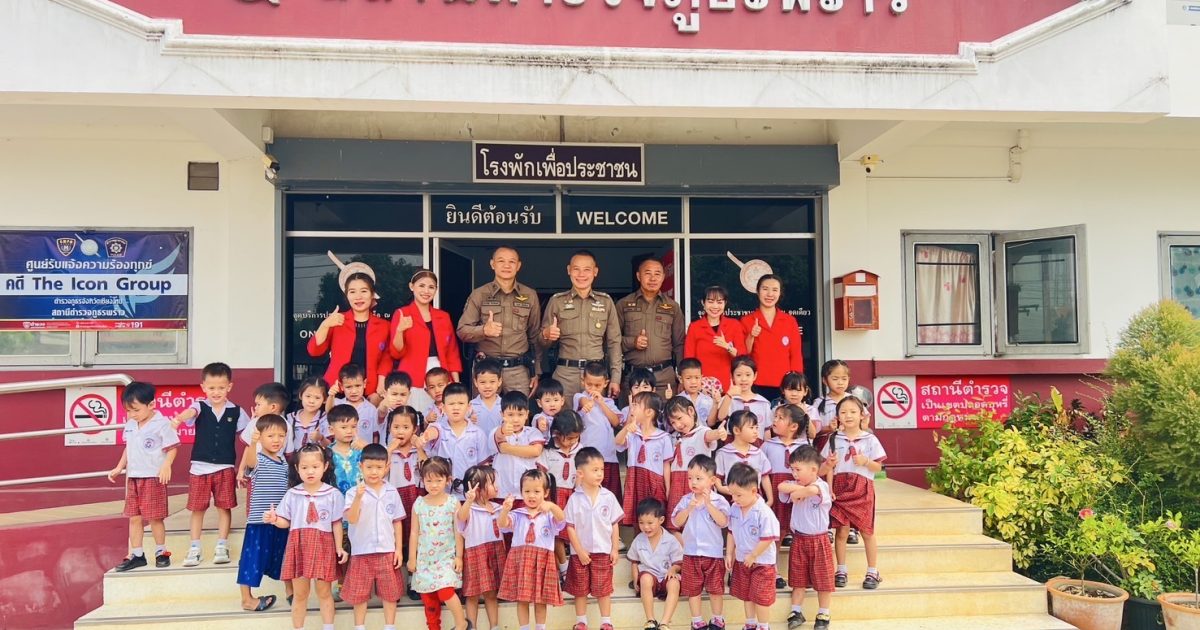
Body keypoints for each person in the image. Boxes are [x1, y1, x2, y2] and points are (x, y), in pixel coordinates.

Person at [170, 362, 250, 569]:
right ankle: (194, 547)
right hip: (199, 468)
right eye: (212, 387)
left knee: (224, 507)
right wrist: (178, 419)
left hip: (225, 467)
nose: (216, 392)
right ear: (203, 387)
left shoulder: (237, 411)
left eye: (221, 387)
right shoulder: (199, 406)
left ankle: (222, 545)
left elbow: (249, 436)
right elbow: (189, 413)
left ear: (229, 387)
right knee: (197, 509)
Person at [264, 444, 347, 630]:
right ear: (297, 468)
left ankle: (328, 627)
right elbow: (286, 522)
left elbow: (336, 523)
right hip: (299, 546)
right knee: (300, 594)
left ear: (325, 466)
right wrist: (274, 519)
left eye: (315, 466)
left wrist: (339, 547)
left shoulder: (333, 494)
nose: (310, 471)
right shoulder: (293, 494)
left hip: (324, 546)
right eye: (304, 467)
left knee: (324, 592)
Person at [108, 381, 179, 572]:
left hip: (153, 477)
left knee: (155, 517)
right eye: (128, 411)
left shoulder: (162, 424)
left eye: (136, 410)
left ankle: (161, 552)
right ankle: (137, 555)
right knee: (134, 517)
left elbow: (172, 448)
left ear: (151, 404)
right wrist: (119, 467)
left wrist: (166, 465)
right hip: (134, 477)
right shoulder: (131, 424)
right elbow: (128, 447)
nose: (132, 415)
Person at [457, 246, 543, 396]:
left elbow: (534, 336)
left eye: (512, 261)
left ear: (518, 266)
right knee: (483, 411)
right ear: (492, 264)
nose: (506, 265)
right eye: (501, 261)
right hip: (486, 369)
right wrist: (483, 331)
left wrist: (536, 371)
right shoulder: (479, 294)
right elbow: (462, 330)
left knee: (518, 411)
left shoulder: (530, 295)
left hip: (518, 371)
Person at [540, 250, 623, 401]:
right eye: (576, 269)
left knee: (595, 415)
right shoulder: (557, 301)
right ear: (569, 270)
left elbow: (614, 343)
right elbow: (541, 343)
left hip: (596, 376)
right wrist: (546, 335)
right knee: (565, 415)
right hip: (565, 375)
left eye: (587, 270)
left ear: (595, 272)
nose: (581, 274)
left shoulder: (605, 302)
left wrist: (615, 378)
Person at [822, 396, 886, 591]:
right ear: (838, 417)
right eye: (843, 412)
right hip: (840, 488)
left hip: (862, 487)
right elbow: (829, 467)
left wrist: (866, 461)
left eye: (852, 412)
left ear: (861, 415)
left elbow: (878, 467)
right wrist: (830, 488)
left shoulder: (870, 439)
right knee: (841, 531)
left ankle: (872, 571)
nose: (848, 415)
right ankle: (841, 570)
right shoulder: (834, 439)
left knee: (867, 531)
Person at [342, 443, 406, 630]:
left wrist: (398, 550)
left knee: (390, 593)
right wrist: (358, 498)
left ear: (387, 467)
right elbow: (351, 519)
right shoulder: (353, 492)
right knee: (359, 594)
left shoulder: (392, 492)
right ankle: (359, 626)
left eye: (379, 467)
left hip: (387, 550)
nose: (374, 472)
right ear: (360, 466)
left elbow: (397, 522)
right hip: (362, 551)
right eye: (369, 467)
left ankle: (390, 626)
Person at [308, 270, 392, 404]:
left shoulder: (384, 326)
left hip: (369, 392)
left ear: (372, 295)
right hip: (336, 390)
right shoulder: (337, 320)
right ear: (347, 296)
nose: (358, 296)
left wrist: (380, 389)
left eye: (364, 291)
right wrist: (325, 325)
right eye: (352, 292)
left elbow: (386, 359)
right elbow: (314, 351)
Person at [498, 469, 568, 630]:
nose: (531, 495)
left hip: (542, 560)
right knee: (522, 599)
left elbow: (562, 519)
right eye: (527, 491)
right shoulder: (517, 514)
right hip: (521, 560)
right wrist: (505, 510)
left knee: (540, 599)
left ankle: (540, 627)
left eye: (537, 491)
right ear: (521, 492)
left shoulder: (548, 515)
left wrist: (551, 506)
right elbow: (503, 524)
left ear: (546, 492)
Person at [563, 446, 621, 630]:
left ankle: (606, 621)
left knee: (603, 589)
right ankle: (581, 621)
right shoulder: (575, 498)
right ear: (581, 473)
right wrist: (579, 551)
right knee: (580, 589)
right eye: (595, 470)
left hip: (603, 551)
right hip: (580, 553)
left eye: (601, 469)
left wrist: (614, 549)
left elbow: (614, 524)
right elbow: (570, 527)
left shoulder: (608, 496)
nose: (600, 474)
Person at [237, 414, 290, 612]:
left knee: (284, 556)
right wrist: (253, 443)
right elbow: (250, 462)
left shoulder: (283, 461)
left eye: (281, 436)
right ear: (260, 437)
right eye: (271, 436)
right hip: (259, 522)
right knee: (252, 559)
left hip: (280, 521)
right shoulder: (259, 459)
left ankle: (291, 593)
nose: (276, 440)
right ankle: (247, 599)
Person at [671, 454, 731, 630]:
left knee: (715, 588)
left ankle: (717, 619)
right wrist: (689, 508)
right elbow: (676, 521)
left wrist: (708, 504)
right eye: (690, 478)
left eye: (698, 478)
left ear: (712, 480)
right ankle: (696, 620)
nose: (693, 482)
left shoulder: (719, 500)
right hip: (691, 552)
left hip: (713, 553)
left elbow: (724, 522)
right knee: (693, 589)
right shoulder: (685, 500)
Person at [407, 457, 467, 630]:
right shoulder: (419, 504)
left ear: (448, 480)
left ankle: (461, 624)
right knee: (429, 599)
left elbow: (458, 531)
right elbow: (414, 532)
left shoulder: (453, 502)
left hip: (446, 558)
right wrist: (412, 558)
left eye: (438, 480)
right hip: (425, 560)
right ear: (422, 480)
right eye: (429, 481)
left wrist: (459, 556)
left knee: (446, 591)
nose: (433, 485)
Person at [778, 446, 835, 630]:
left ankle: (823, 613)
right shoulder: (797, 483)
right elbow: (781, 486)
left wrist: (797, 493)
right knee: (798, 579)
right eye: (792, 469)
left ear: (813, 469)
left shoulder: (822, 486)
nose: (794, 474)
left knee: (823, 579)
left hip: (819, 540)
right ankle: (796, 611)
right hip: (799, 539)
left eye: (798, 469)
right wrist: (798, 490)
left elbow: (812, 491)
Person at [618, 257, 685, 397]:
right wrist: (633, 342)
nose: (653, 278)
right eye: (648, 273)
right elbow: (612, 341)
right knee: (632, 411)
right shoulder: (623, 304)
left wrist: (682, 377)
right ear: (638, 276)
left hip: (663, 378)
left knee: (666, 411)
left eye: (657, 274)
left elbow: (679, 345)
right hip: (633, 378)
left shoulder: (672, 307)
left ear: (663, 277)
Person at [724, 462, 780, 630]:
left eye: (739, 495)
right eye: (732, 494)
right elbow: (731, 532)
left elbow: (768, 538)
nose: (735, 499)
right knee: (747, 594)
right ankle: (750, 623)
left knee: (761, 598)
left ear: (754, 491)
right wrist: (729, 553)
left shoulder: (763, 512)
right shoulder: (735, 508)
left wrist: (754, 555)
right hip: (743, 560)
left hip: (762, 562)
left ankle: (763, 626)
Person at [390, 269, 464, 389]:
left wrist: (456, 382)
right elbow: (396, 353)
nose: (426, 291)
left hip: (441, 375)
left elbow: (452, 353)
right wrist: (400, 331)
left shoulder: (443, 316)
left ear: (436, 289)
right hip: (412, 377)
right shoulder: (402, 313)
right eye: (422, 286)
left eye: (431, 287)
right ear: (411, 286)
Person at [421, 382, 496, 499]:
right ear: (443, 407)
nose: (456, 407)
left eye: (461, 403)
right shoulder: (438, 428)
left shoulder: (478, 433)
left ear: (469, 406)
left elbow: (483, 466)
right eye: (451, 404)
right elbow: (432, 432)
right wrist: (426, 436)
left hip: (470, 495)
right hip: (442, 494)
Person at [664, 397, 726, 535]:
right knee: (674, 522)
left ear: (691, 411)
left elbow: (709, 435)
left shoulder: (701, 432)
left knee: (697, 519)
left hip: (696, 481)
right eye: (673, 422)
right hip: (676, 482)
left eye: (679, 418)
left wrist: (718, 433)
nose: (678, 424)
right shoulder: (674, 437)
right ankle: (683, 547)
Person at [384, 405, 426, 600]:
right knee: (396, 540)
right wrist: (388, 451)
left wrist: (420, 447)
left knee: (416, 538)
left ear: (415, 429)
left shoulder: (419, 450)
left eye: (406, 427)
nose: (400, 431)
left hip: (416, 496)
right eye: (396, 427)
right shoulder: (388, 451)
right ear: (390, 428)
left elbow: (427, 471)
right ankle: (393, 583)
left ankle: (413, 580)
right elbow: (380, 473)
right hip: (395, 499)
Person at [456, 465, 507, 630]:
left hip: (495, 551)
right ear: (478, 488)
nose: (496, 487)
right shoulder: (469, 509)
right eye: (492, 483)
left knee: (491, 594)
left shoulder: (498, 508)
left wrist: (506, 509)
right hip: (476, 554)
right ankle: (472, 627)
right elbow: (461, 518)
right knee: (472, 595)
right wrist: (469, 501)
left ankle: (494, 626)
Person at [538, 410, 584, 584]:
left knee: (572, 531)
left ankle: (574, 567)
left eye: (576, 438)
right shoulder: (547, 451)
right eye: (569, 438)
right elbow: (542, 476)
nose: (573, 441)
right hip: (554, 497)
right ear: (557, 433)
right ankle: (563, 568)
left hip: (573, 496)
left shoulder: (580, 450)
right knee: (556, 534)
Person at [741, 275, 802, 402]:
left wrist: (797, 382)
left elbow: (795, 354)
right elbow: (743, 354)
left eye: (774, 290)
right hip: (756, 383)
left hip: (784, 385)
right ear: (757, 291)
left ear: (780, 293)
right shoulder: (747, 320)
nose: (770, 294)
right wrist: (751, 336)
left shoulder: (789, 321)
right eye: (765, 289)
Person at [616, 391, 673, 527]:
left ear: (648, 412)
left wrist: (668, 489)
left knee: (654, 515)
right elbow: (618, 442)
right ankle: (638, 540)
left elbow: (666, 465)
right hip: (635, 477)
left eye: (636, 405)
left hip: (654, 480)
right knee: (637, 516)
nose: (632, 408)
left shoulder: (663, 437)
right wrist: (626, 429)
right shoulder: (633, 433)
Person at [628, 498, 684, 630]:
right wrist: (635, 580)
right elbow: (634, 562)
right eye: (641, 523)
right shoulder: (638, 540)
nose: (646, 527)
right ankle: (651, 620)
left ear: (661, 520)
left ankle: (664, 622)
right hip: (649, 579)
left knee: (674, 583)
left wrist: (673, 569)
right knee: (645, 579)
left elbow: (679, 562)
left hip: (666, 577)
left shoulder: (670, 540)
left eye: (650, 523)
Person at [573, 361, 624, 501]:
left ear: (605, 383)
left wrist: (601, 402)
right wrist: (588, 404)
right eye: (589, 384)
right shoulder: (579, 397)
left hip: (608, 455)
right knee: (588, 493)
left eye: (597, 385)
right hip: (588, 455)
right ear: (583, 381)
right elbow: (583, 401)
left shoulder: (609, 402)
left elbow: (616, 422)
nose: (593, 389)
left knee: (610, 495)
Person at [764, 404, 810, 550]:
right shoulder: (767, 445)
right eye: (775, 417)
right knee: (776, 530)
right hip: (774, 489)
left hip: (798, 489)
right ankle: (774, 563)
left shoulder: (804, 446)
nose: (775, 420)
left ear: (794, 426)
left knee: (797, 528)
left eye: (780, 418)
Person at [684, 286, 746, 393]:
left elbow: (743, 356)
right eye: (710, 302)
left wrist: (727, 347)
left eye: (719, 302)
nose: (715, 306)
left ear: (725, 303)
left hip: (729, 385)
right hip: (702, 386)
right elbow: (688, 359)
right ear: (703, 303)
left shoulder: (734, 325)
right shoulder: (695, 327)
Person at [493, 391, 545, 507]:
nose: (515, 419)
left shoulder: (533, 432)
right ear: (502, 414)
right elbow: (499, 440)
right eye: (510, 415)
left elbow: (535, 451)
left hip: (527, 494)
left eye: (520, 414)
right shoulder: (497, 431)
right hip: (502, 492)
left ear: (527, 414)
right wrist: (503, 432)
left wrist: (508, 448)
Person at [714, 411, 773, 504]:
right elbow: (717, 476)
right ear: (736, 430)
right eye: (751, 428)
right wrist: (720, 488)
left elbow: (765, 477)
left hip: (754, 499)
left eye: (757, 428)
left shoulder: (758, 453)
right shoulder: (723, 453)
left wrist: (770, 499)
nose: (755, 431)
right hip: (731, 499)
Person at [716, 357, 772, 441]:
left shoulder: (763, 403)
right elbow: (720, 417)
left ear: (755, 376)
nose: (743, 379)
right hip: (733, 445)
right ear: (732, 376)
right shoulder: (729, 398)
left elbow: (766, 430)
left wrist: (767, 447)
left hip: (757, 446)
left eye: (748, 375)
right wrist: (729, 395)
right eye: (738, 375)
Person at [328, 363, 380, 444]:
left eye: (358, 386)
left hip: (364, 450)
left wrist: (373, 450)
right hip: (342, 451)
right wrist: (331, 396)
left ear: (364, 383)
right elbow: (329, 411)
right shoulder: (338, 404)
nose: (354, 391)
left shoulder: (371, 409)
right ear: (341, 386)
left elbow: (375, 434)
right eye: (348, 387)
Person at [811, 360, 851, 454]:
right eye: (835, 379)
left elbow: (864, 421)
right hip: (825, 448)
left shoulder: (853, 400)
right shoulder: (818, 403)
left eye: (844, 379)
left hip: (849, 446)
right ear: (825, 380)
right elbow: (812, 431)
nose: (840, 383)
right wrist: (828, 428)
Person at [284, 376, 330, 453]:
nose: (311, 401)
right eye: (308, 396)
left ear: (325, 400)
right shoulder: (291, 418)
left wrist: (321, 438)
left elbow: (331, 446)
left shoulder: (325, 419)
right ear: (300, 395)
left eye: (317, 398)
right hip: (294, 459)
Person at [775, 372, 820, 442]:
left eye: (798, 390)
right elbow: (774, 432)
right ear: (783, 390)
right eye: (790, 389)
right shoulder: (778, 410)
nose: (794, 394)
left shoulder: (811, 410)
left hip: (803, 447)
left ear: (805, 391)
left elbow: (812, 435)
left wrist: (805, 415)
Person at [675, 358, 717, 429]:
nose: (693, 382)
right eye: (688, 378)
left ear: (701, 378)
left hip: (705, 434)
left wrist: (715, 403)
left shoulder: (708, 400)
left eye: (697, 378)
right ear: (681, 379)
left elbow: (711, 423)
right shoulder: (677, 401)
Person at [470, 359, 505, 438]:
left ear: (499, 381)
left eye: (492, 382)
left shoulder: (505, 405)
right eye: (482, 382)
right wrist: (467, 421)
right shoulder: (470, 406)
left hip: (499, 444)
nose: (487, 386)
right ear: (475, 382)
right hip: (477, 444)